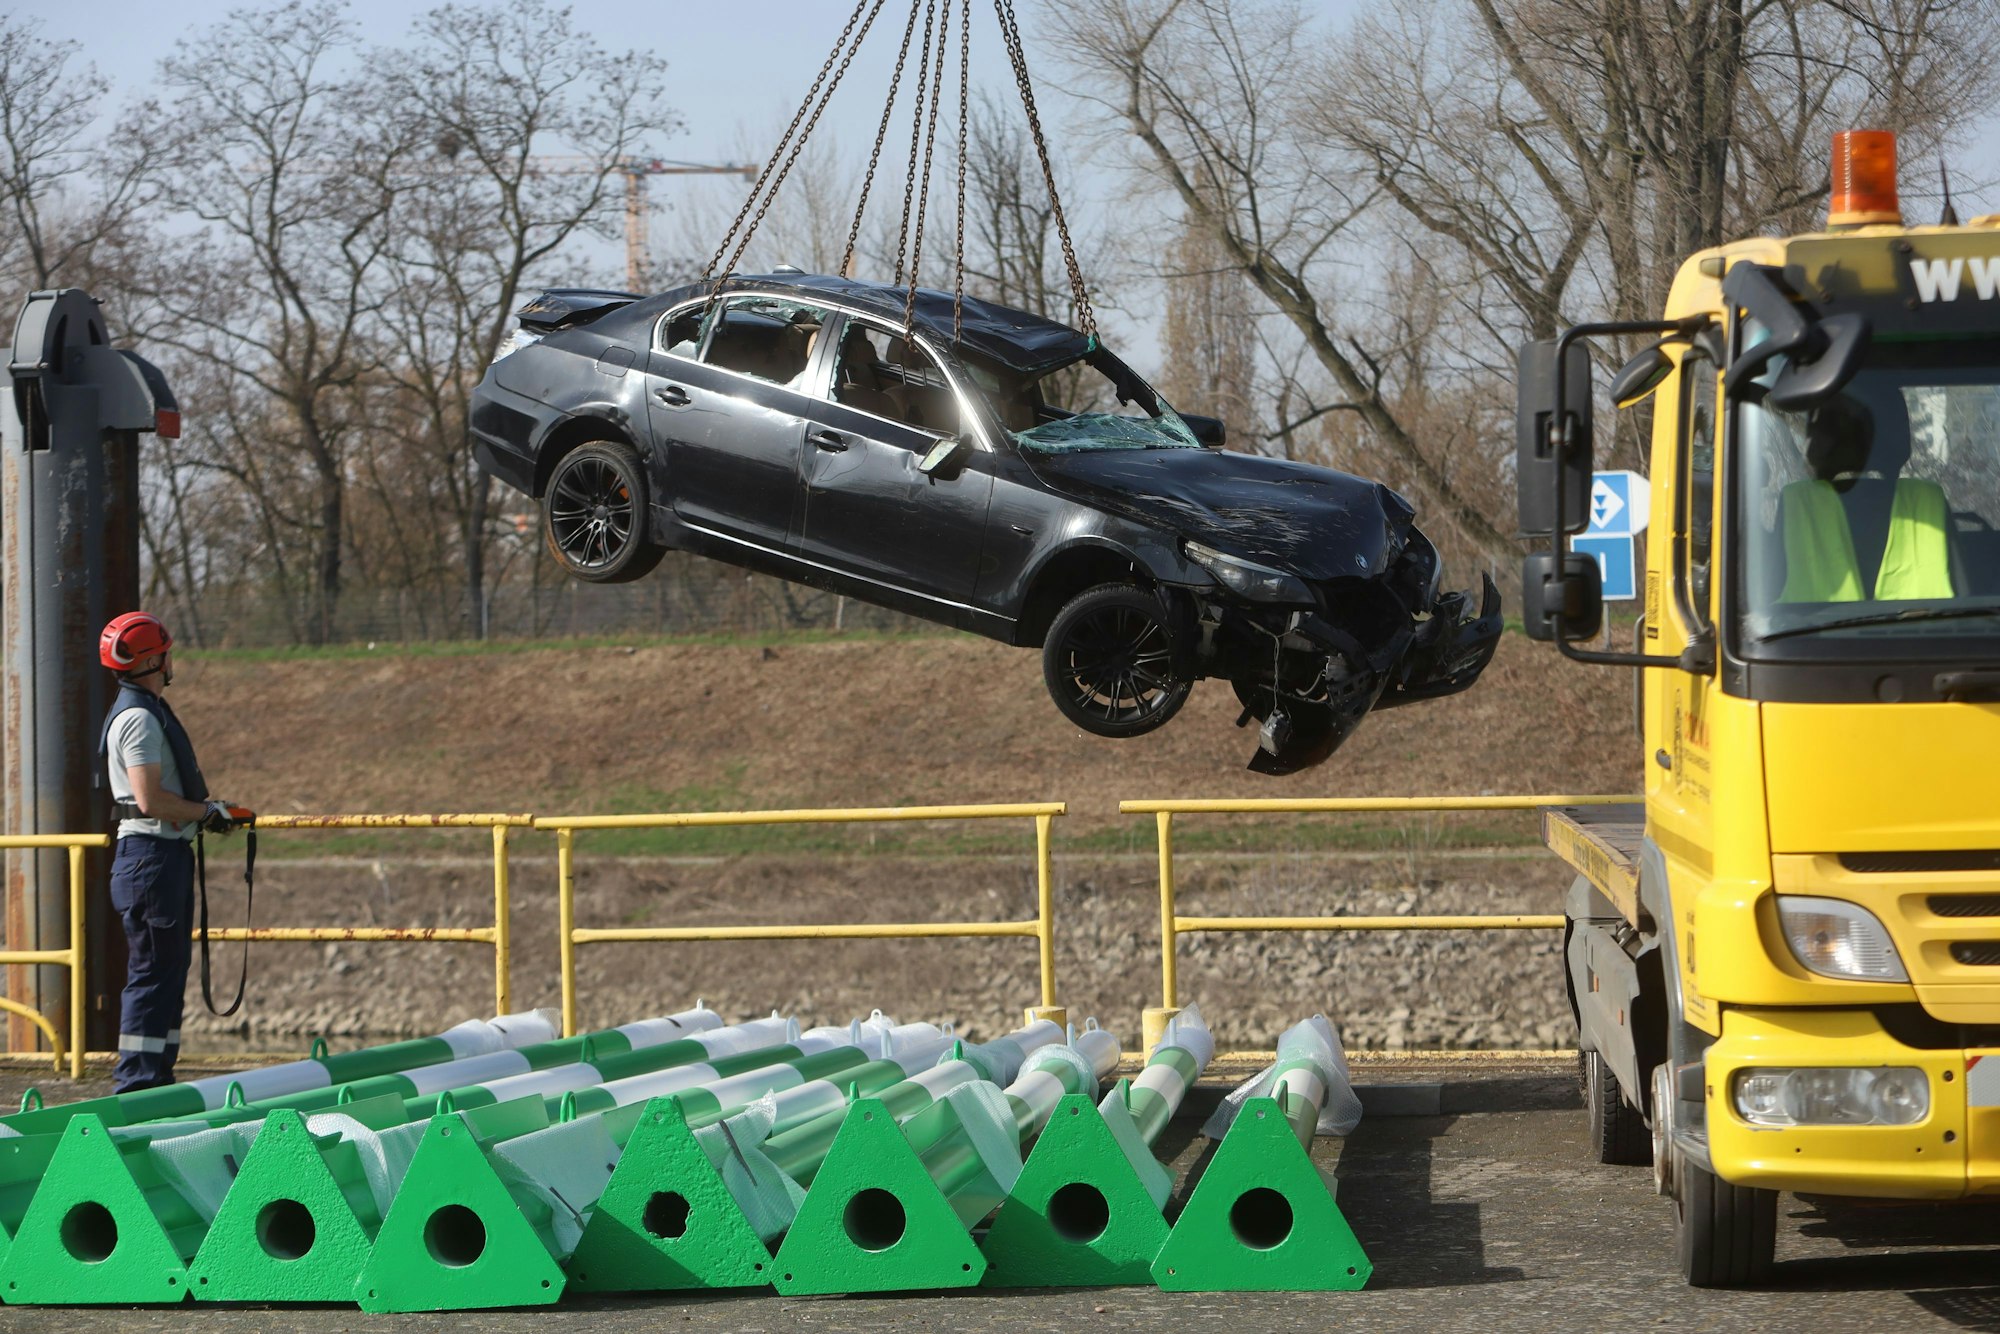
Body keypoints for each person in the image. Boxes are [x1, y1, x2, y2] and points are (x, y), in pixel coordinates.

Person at [96, 612, 252, 1092]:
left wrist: (206, 813)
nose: (170, 661)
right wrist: (207, 813)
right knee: (152, 972)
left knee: (167, 970)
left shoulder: (142, 709)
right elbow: (150, 799)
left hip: (158, 856)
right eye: (166, 653)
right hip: (150, 857)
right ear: (152, 660)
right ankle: (136, 1085)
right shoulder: (140, 719)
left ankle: (156, 1078)